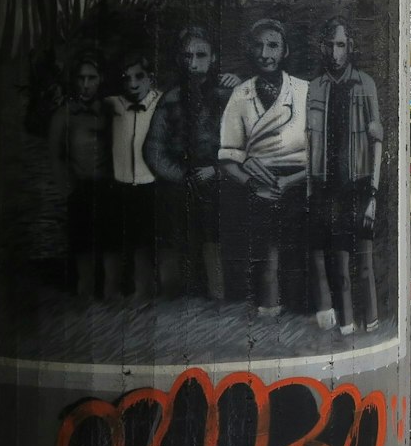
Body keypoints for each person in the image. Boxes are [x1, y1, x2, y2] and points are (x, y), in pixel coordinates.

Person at [218, 18, 310, 312]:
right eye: (258, 45)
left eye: (272, 45)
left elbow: (320, 153)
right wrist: (254, 184)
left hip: (300, 181)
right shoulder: (240, 95)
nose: (264, 53)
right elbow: (229, 157)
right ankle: (268, 313)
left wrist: (291, 181)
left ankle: (299, 312)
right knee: (265, 253)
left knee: (298, 251)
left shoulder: (304, 91)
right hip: (257, 184)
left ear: (285, 51)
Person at [305, 18, 385, 335]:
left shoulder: (364, 84)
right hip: (328, 187)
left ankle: (373, 321)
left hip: (360, 183)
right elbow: (310, 144)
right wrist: (311, 190)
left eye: (341, 45)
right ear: (323, 48)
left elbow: (377, 139)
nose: (335, 52)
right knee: (338, 260)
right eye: (330, 45)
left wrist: (374, 196)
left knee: (364, 261)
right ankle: (347, 326)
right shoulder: (315, 87)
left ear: (350, 47)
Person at [145, 26, 237, 296]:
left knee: (215, 235)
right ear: (179, 60)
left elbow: (243, 145)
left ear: (213, 58)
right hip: (178, 182)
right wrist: (179, 174)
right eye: (187, 56)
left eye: (200, 55)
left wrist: (217, 171)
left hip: (218, 180)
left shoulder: (228, 97)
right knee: (176, 234)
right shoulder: (170, 100)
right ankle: (177, 295)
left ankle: (218, 294)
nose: (194, 63)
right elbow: (154, 149)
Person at [47, 53, 112, 297]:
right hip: (81, 186)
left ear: (100, 79)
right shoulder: (64, 115)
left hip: (109, 186)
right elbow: (55, 154)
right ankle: (84, 290)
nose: (86, 84)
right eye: (81, 78)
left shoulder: (109, 109)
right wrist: (67, 187)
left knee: (109, 240)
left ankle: (109, 290)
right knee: (82, 241)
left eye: (91, 78)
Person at [103, 53, 164, 297]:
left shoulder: (163, 101)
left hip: (152, 184)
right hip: (120, 184)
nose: (133, 84)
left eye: (139, 77)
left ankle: (150, 288)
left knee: (148, 241)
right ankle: (121, 288)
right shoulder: (113, 104)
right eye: (126, 78)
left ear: (151, 78)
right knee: (121, 239)